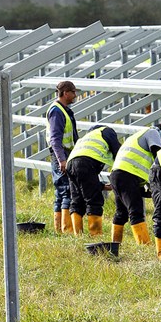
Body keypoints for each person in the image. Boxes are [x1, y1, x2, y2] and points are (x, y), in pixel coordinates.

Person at [109, 112, 161, 246]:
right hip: (127, 175)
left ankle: (114, 244)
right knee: (136, 211)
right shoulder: (153, 133)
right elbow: (158, 156)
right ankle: (144, 244)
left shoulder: (137, 136)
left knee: (121, 212)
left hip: (118, 174)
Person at [65, 123, 121, 236]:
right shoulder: (107, 131)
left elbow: (85, 182)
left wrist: (100, 186)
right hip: (85, 162)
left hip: (70, 164)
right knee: (94, 201)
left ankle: (78, 235)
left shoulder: (86, 138)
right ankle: (95, 234)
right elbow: (118, 153)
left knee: (77, 200)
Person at [47, 80, 79, 234]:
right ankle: (66, 230)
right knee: (66, 190)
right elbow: (55, 139)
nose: (75, 95)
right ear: (65, 93)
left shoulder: (63, 110)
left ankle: (59, 229)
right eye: (73, 92)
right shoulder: (57, 111)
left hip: (66, 153)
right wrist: (62, 160)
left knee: (61, 191)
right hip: (61, 154)